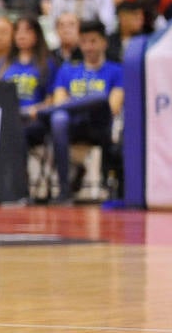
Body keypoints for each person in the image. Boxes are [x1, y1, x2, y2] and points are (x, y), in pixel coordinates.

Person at [45, 20, 124, 204]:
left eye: (93, 41)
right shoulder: (67, 70)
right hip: (73, 124)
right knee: (58, 118)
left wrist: (78, 103)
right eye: (84, 41)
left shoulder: (116, 70)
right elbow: (59, 101)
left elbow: (112, 106)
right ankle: (64, 190)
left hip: (100, 125)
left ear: (104, 42)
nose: (88, 46)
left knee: (99, 100)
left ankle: (44, 112)